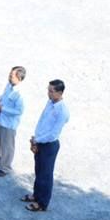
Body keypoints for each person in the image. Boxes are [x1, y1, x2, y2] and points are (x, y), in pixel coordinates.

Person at [25, 80, 69, 212]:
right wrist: (35, 138)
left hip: (49, 145)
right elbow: (42, 121)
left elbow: (53, 134)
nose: (48, 93)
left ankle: (42, 203)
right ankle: (36, 195)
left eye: (51, 91)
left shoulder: (62, 111)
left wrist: (37, 140)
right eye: (48, 90)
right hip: (40, 141)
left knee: (46, 174)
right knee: (38, 171)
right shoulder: (50, 102)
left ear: (60, 93)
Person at [0, 67, 25, 178]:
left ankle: (5, 168)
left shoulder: (20, 94)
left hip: (9, 124)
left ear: (19, 78)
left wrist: (2, 109)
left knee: (7, 146)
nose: (9, 77)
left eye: (12, 76)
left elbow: (19, 111)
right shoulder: (9, 86)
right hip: (1, 119)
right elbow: (4, 96)